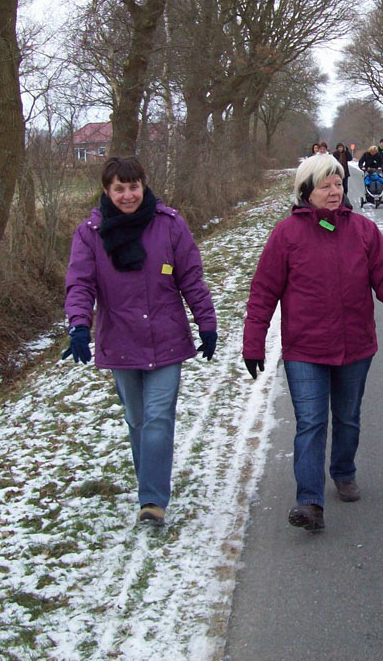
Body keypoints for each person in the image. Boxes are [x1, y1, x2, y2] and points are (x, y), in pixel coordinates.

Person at [242, 154, 383, 532]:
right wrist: (253, 342)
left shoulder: (364, 230)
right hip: (305, 349)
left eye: (338, 184)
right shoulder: (287, 234)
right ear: (306, 192)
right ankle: (309, 502)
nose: (335, 191)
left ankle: (343, 470)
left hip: (356, 345)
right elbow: (263, 291)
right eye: (325, 186)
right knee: (311, 422)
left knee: (348, 417)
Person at [62, 156, 219, 526]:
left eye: (134, 187)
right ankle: (150, 479)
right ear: (107, 191)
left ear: (144, 186)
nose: (128, 195)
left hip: (166, 339)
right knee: (137, 419)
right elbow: (80, 283)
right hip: (120, 341)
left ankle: (152, 500)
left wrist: (206, 323)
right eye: (119, 188)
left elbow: (191, 278)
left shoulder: (170, 225)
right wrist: (79, 325)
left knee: (158, 418)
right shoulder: (90, 233)